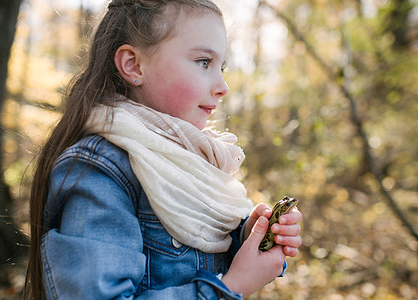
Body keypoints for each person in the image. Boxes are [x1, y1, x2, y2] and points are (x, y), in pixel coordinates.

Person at [23, 0, 303, 299]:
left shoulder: (189, 158)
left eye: (220, 67)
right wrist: (230, 288)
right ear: (133, 65)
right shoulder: (101, 169)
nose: (222, 86)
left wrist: (247, 237)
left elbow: (194, 255)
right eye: (203, 62)